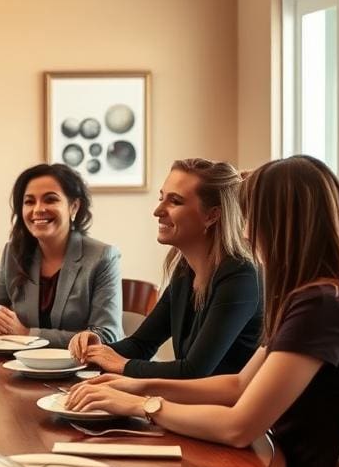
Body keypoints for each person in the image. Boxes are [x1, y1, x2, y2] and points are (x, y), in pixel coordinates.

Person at [67, 155, 339, 467]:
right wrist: (137, 384)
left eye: (253, 216)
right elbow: (237, 385)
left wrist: (143, 406)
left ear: (281, 221)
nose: (247, 229)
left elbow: (239, 426)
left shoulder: (321, 306)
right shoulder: (309, 296)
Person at [69, 159, 261, 378]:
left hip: (223, 409)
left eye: (175, 201)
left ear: (212, 215)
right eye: (161, 198)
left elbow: (193, 372)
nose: (158, 210)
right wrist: (97, 349)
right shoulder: (184, 270)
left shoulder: (240, 276)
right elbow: (142, 344)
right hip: (192, 404)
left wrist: (122, 365)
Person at [0, 163, 122, 347]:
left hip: (84, 370)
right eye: (29, 201)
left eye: (50, 200)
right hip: (23, 368)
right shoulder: (13, 253)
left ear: (74, 207)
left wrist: (28, 334)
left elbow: (107, 335)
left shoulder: (103, 257)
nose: (38, 210)